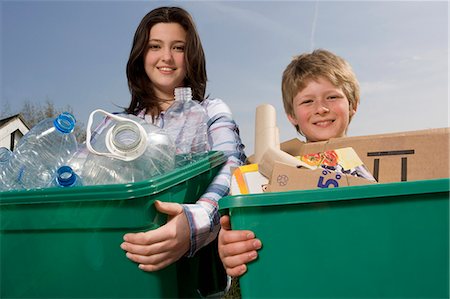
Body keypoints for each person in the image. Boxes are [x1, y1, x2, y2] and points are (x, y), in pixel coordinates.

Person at [118, 6, 246, 271]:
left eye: (178, 48)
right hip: (126, 256)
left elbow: (232, 165)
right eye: (155, 46)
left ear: (191, 57)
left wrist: (195, 220)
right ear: (141, 54)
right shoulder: (122, 127)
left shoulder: (210, 110)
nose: (167, 57)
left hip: (195, 273)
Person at [218, 49, 360, 277]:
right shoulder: (273, 170)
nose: (321, 108)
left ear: (353, 104)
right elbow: (260, 232)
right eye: (307, 101)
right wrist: (233, 244)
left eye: (332, 97)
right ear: (291, 115)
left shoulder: (372, 162)